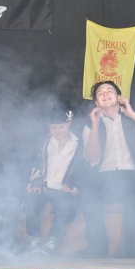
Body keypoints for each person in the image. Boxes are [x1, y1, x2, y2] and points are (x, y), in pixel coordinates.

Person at [82, 81, 135, 258]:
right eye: (100, 92)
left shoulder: (133, 117)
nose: (105, 93)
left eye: (110, 90)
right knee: (88, 193)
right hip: (104, 174)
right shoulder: (91, 124)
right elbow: (91, 157)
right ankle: (97, 246)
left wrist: (132, 113)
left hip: (132, 173)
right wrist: (95, 125)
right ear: (96, 102)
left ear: (119, 97)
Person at [22, 108, 82, 255]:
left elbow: (83, 168)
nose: (57, 131)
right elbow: (35, 163)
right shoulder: (44, 142)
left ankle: (53, 242)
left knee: (65, 207)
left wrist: (72, 183)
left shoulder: (79, 143)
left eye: (61, 127)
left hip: (64, 189)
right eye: (53, 127)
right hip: (45, 186)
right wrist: (36, 182)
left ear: (69, 124)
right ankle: (34, 241)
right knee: (31, 200)